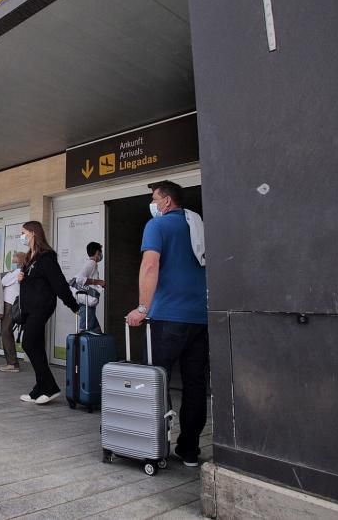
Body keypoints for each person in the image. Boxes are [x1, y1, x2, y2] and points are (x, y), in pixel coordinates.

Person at [126, 180, 208, 468]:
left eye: (153, 198)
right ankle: (189, 450)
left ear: (166, 201)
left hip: (168, 317)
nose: (152, 203)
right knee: (195, 385)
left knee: (155, 381)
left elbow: (150, 266)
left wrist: (141, 308)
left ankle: (153, 443)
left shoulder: (157, 226)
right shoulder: (198, 226)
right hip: (200, 317)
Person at [17, 221, 77, 405]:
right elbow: (34, 283)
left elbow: (59, 283)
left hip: (41, 307)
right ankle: (39, 388)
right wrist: (22, 278)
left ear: (33, 233)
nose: (22, 236)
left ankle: (50, 387)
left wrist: (73, 305)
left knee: (28, 343)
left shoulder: (46, 257)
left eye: (23, 232)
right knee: (37, 346)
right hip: (30, 309)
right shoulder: (31, 258)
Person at [0, 251, 25, 372]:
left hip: (10, 305)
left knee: (6, 332)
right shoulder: (16, 272)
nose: (13, 263)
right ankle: (11, 362)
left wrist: (7, 275)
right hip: (8, 304)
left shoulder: (18, 272)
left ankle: (12, 363)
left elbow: (3, 282)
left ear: (20, 261)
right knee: (6, 332)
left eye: (14, 261)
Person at [74, 241, 105, 333]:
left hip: (86, 304)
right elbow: (79, 279)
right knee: (85, 333)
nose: (101, 254)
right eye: (100, 252)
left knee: (97, 333)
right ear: (97, 252)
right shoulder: (92, 263)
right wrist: (98, 282)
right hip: (87, 306)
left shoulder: (90, 263)